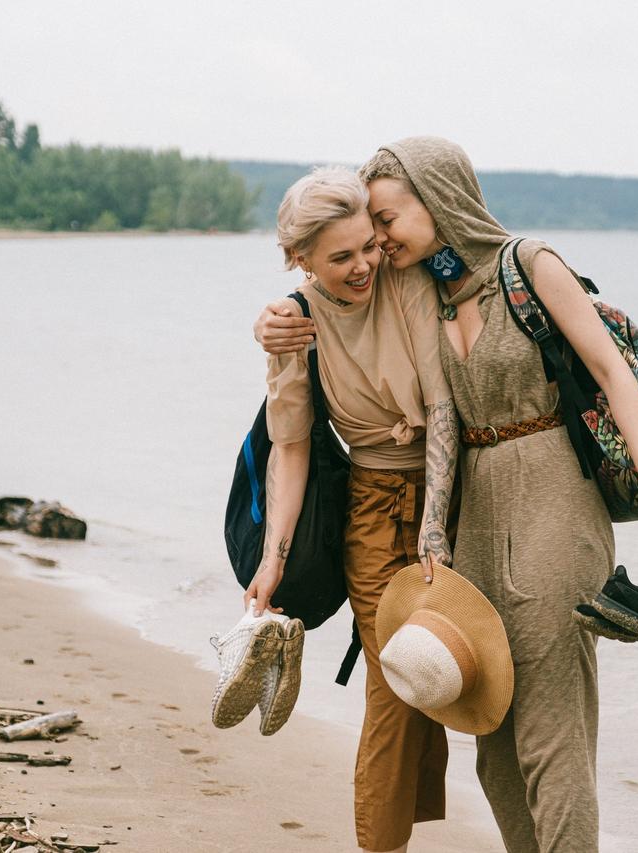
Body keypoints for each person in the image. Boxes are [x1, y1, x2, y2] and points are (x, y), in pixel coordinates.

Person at [257, 139, 638, 853]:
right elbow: (313, 385)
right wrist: (272, 324)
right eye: (369, 232)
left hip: (552, 493)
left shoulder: (528, 265)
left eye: (385, 223)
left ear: (438, 200)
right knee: (492, 735)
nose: (379, 243)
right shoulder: (427, 284)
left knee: (553, 730)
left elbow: (611, 371)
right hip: (473, 509)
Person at [247, 166, 460, 853]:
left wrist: (437, 531)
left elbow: (442, 407)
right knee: (397, 680)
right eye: (341, 257)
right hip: (372, 511)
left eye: (368, 244)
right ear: (298, 259)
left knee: (464, 676)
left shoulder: (408, 279)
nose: (365, 263)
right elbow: (291, 444)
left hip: (457, 497)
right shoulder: (294, 323)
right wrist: (271, 558)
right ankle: (382, 844)